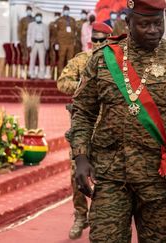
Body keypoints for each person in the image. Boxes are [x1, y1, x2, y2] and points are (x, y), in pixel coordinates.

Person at [71, 0, 166, 241]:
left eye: (158, 24)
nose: (153, 30)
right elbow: (83, 112)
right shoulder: (103, 59)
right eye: (144, 24)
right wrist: (81, 157)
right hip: (110, 174)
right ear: (128, 22)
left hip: (158, 177)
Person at [57, 22, 113, 239]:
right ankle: (81, 215)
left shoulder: (116, 64)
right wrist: (85, 85)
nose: (97, 44)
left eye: (102, 40)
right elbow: (62, 82)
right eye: (95, 40)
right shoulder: (81, 59)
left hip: (108, 128)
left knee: (107, 174)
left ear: (109, 40)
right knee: (75, 174)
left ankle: (101, 216)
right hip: (82, 127)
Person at [27, 13, 49, 79]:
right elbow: (28, 35)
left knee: (42, 60)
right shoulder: (31, 25)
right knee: (32, 59)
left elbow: (47, 36)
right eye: (37, 17)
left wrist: (47, 46)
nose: (38, 18)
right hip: (33, 44)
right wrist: (29, 44)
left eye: (39, 17)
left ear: (41, 17)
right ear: (35, 17)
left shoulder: (45, 26)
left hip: (42, 44)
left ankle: (41, 74)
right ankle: (31, 73)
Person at [56, 5, 77, 76]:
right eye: (65, 10)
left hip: (70, 42)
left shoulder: (72, 20)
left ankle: (69, 75)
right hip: (62, 42)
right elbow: (56, 32)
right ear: (63, 11)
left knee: (70, 59)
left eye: (67, 10)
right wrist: (56, 43)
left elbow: (74, 31)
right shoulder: (59, 20)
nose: (66, 11)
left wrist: (74, 41)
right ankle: (60, 74)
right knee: (61, 58)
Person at [47, 12, 61, 80]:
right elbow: (48, 34)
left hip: (60, 44)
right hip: (52, 44)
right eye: (56, 16)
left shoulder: (62, 24)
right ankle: (52, 74)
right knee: (53, 59)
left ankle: (59, 74)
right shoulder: (51, 24)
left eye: (58, 16)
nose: (57, 17)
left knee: (60, 59)